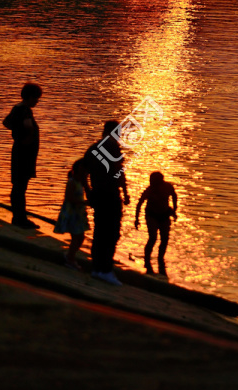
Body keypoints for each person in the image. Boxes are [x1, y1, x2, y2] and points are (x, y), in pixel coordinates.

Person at [84, 120, 130, 286]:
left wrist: (89, 192)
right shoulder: (112, 147)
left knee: (99, 232)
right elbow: (119, 171)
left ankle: (96, 268)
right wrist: (125, 192)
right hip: (110, 195)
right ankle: (106, 270)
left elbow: (82, 171)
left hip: (97, 194)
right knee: (111, 233)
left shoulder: (92, 149)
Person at [3, 82, 42, 229]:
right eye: (36, 98)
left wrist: (18, 134)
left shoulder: (17, 109)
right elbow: (26, 127)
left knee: (18, 185)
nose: (37, 101)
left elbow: (6, 122)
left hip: (19, 151)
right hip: (24, 153)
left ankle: (18, 216)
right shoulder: (25, 110)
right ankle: (20, 218)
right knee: (20, 186)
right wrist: (26, 138)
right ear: (30, 97)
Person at [134, 171, 178, 277]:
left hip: (164, 215)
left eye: (154, 182)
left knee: (165, 238)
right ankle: (147, 260)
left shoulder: (168, 187)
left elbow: (174, 195)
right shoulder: (149, 190)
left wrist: (174, 209)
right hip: (151, 215)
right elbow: (139, 203)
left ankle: (160, 258)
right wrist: (136, 219)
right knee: (153, 237)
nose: (152, 184)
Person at [54, 158, 91, 271]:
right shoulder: (72, 182)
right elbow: (69, 198)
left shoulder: (80, 183)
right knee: (77, 237)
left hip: (78, 214)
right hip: (72, 213)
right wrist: (83, 202)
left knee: (80, 237)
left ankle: (70, 256)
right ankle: (70, 258)